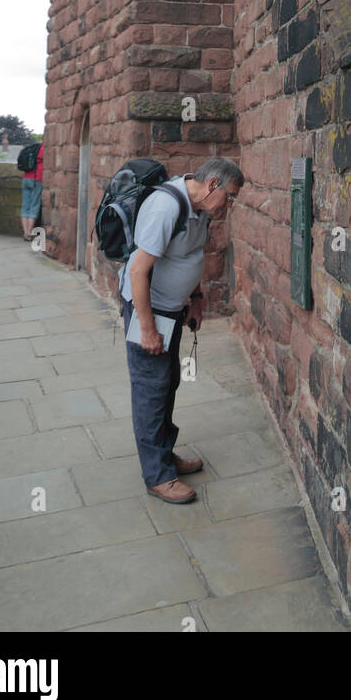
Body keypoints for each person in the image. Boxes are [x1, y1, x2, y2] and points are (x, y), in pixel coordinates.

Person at [119, 157, 244, 504]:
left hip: (172, 311)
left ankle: (163, 453)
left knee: (168, 380)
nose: (230, 205)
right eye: (230, 196)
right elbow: (137, 272)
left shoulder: (200, 209)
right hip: (149, 311)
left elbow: (192, 257)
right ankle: (157, 475)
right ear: (213, 185)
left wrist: (198, 297)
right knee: (150, 388)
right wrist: (146, 328)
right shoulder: (165, 207)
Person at [20, 141, 44, 240]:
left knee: (25, 206)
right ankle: (29, 234)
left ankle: (25, 233)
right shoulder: (44, 149)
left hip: (26, 178)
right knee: (34, 206)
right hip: (37, 179)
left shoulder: (34, 147)